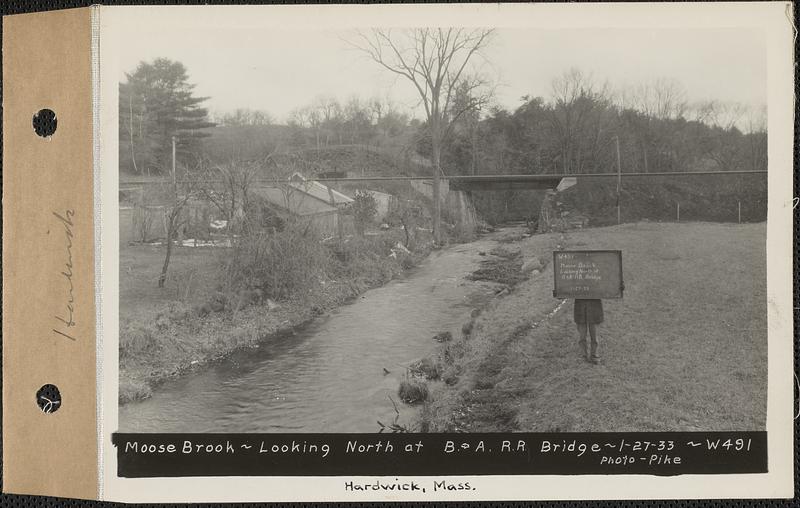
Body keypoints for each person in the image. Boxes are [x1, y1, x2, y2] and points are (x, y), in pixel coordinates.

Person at [574, 298, 603, 364]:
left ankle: (594, 355)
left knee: (594, 335)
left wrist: (618, 288)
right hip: (580, 308)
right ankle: (583, 355)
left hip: (594, 307)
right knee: (582, 336)